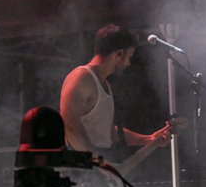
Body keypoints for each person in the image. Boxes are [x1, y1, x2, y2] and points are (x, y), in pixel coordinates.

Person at [59, 24, 173, 156]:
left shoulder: (105, 85)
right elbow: (69, 128)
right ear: (119, 54)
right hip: (80, 168)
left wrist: (150, 139)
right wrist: (97, 162)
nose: (129, 63)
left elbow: (110, 133)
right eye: (129, 57)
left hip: (95, 165)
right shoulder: (82, 77)